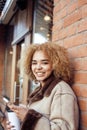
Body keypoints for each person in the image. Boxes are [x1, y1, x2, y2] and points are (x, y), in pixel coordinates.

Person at [6, 42, 79, 130]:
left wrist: (28, 117)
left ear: (55, 65)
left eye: (44, 63)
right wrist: (19, 122)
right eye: (34, 63)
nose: (38, 67)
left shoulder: (61, 91)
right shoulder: (38, 90)